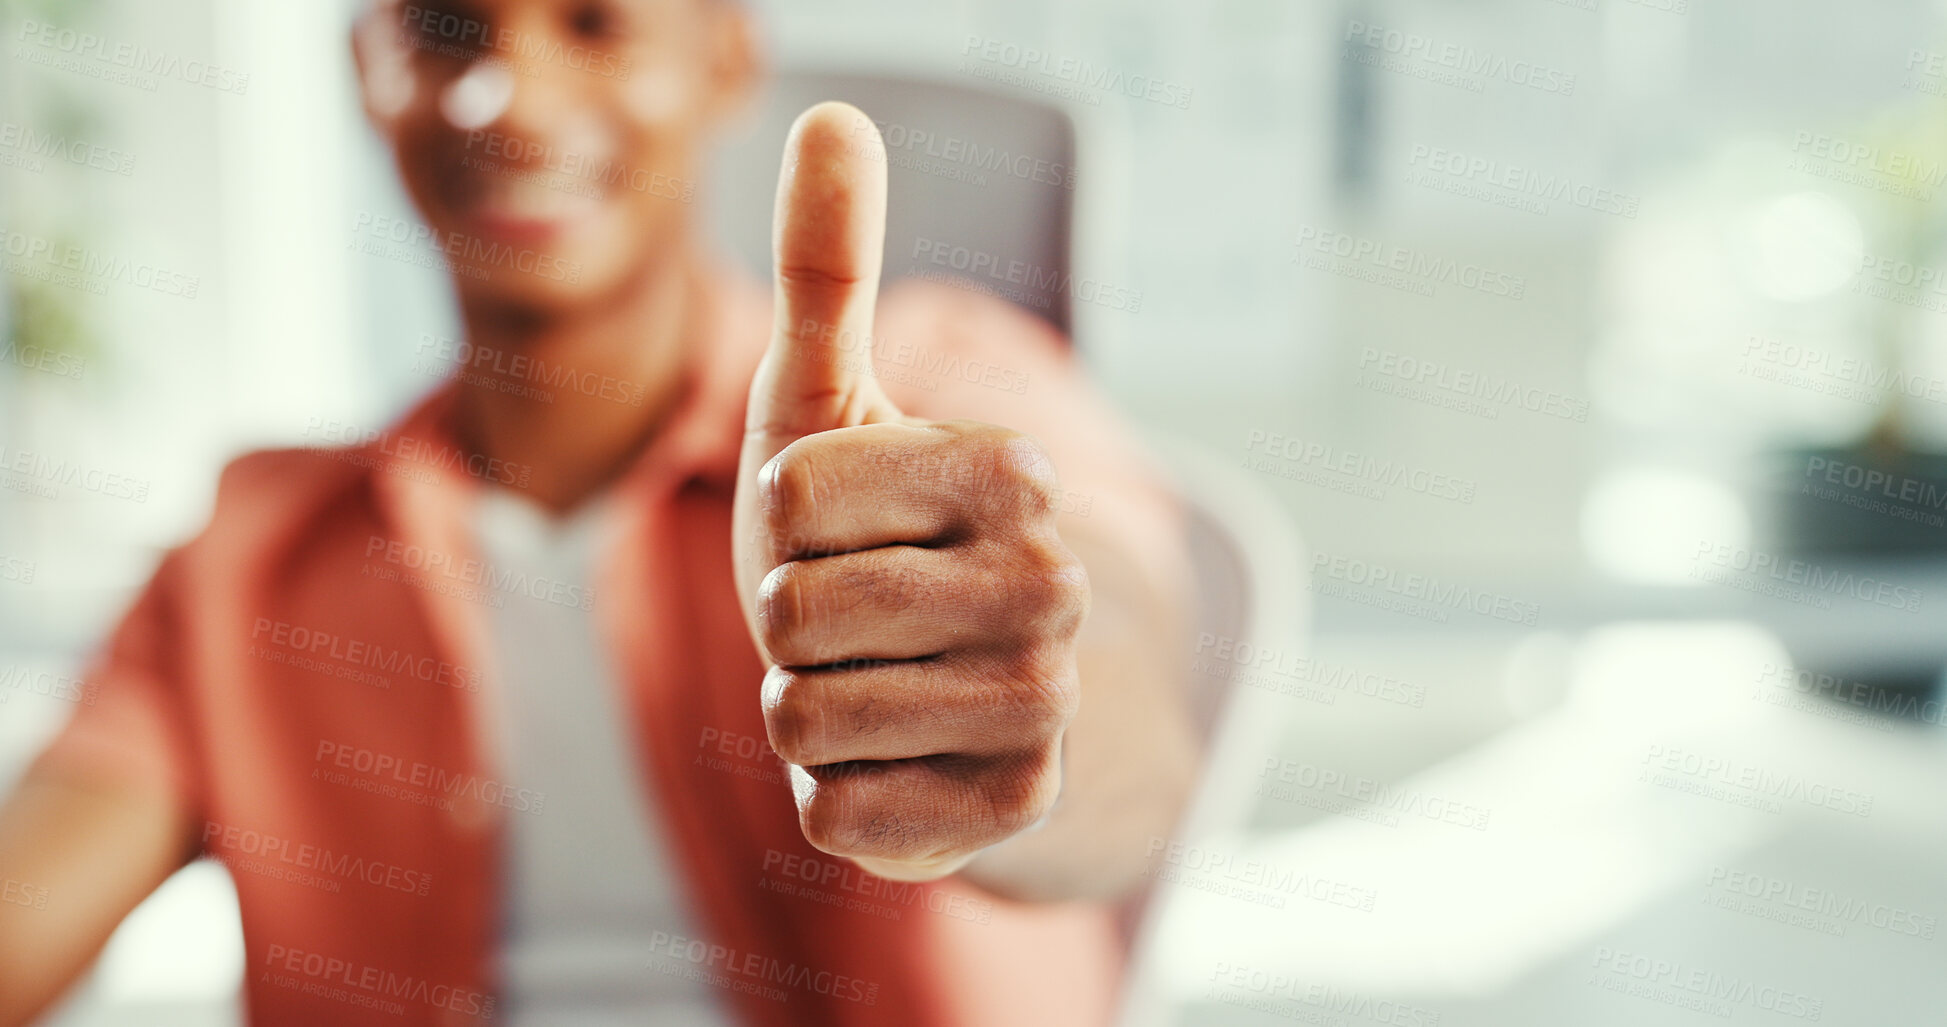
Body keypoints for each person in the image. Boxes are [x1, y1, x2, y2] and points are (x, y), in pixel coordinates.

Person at [0, 1, 1199, 1023]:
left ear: (723, 53)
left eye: (593, 20)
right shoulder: (250, 554)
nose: (506, 99)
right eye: (444, 27)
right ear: (365, 69)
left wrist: (1011, 710)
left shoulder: (945, 388)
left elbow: (1129, 731)